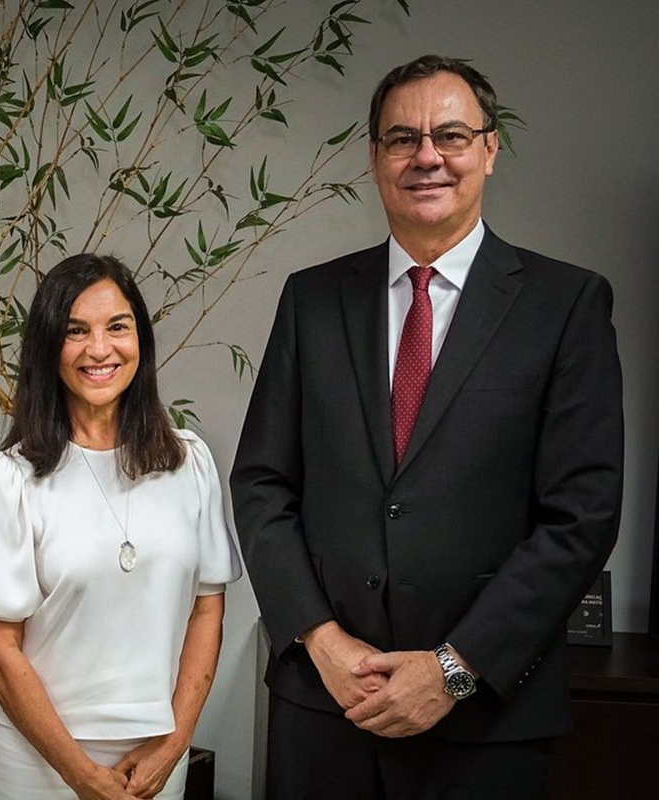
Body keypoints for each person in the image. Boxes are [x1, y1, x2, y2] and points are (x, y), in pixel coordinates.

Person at [230, 55, 624, 800]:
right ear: (376, 157)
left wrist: (454, 668)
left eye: (450, 134)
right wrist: (321, 639)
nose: (427, 156)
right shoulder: (313, 300)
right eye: (402, 138)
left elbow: (583, 514)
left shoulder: (564, 305)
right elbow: (261, 483)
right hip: (325, 706)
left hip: (485, 720)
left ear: (490, 148)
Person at [0, 254, 241, 800]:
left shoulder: (190, 461)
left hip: (155, 753)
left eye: (118, 326)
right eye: (75, 331)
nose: (100, 349)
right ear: (47, 348)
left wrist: (173, 743)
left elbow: (208, 607)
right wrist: (80, 774)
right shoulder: (10, 479)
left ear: (141, 339)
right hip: (34, 757)